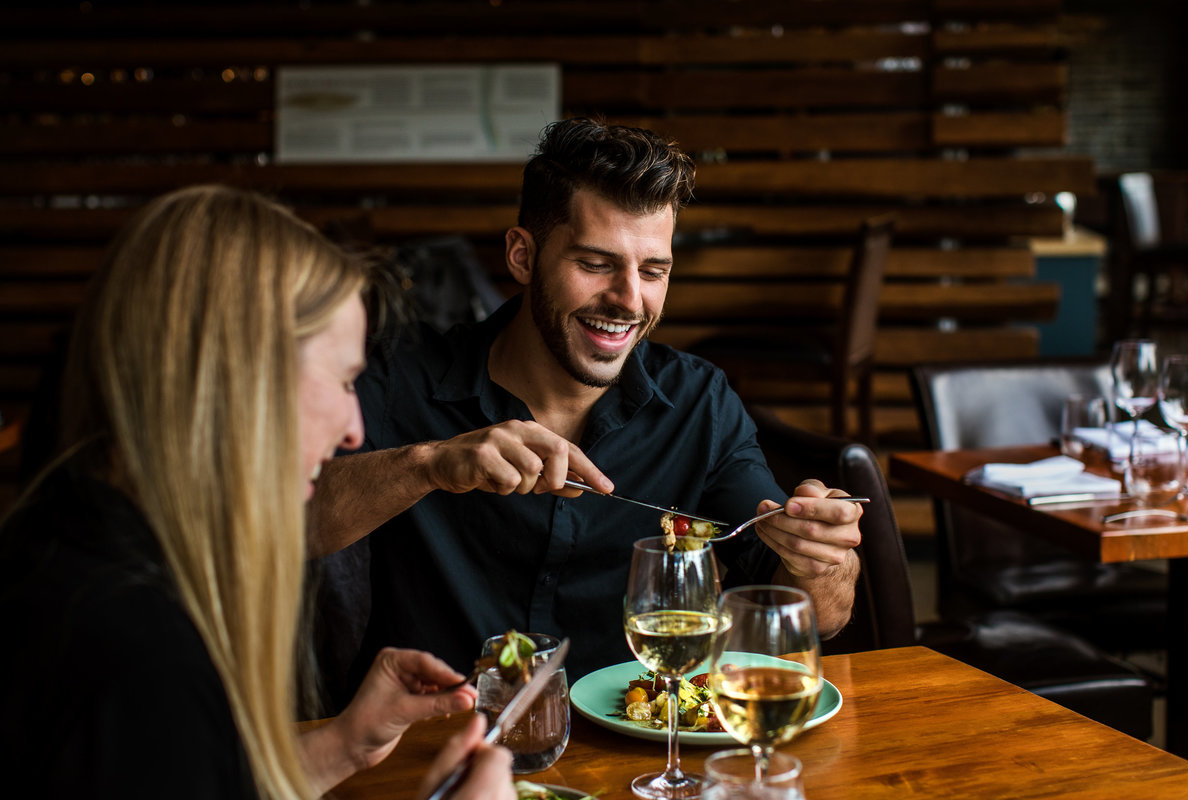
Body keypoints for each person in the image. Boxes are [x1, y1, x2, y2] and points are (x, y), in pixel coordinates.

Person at [311, 118, 862, 701]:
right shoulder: (399, 376)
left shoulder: (700, 402)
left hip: (626, 752)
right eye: (596, 264)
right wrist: (427, 465)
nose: (629, 300)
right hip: (424, 742)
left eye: (653, 271)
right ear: (522, 257)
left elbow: (817, 615)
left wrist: (820, 561)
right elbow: (288, 526)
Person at [0, 185, 513, 800]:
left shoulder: (69, 533)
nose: (354, 428)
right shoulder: (133, 648)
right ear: (245, 375)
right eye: (346, 379)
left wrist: (340, 746)